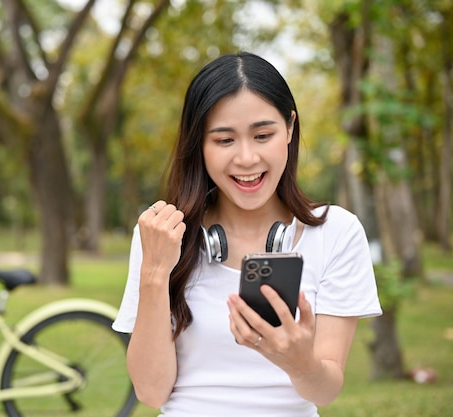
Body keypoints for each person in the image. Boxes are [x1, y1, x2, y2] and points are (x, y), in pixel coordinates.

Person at [112, 51, 382, 417]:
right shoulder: (163, 234)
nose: (246, 158)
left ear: (289, 128)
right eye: (224, 140)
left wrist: (300, 362)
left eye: (263, 135)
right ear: (199, 145)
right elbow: (150, 391)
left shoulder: (337, 232)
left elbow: (326, 390)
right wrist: (155, 273)